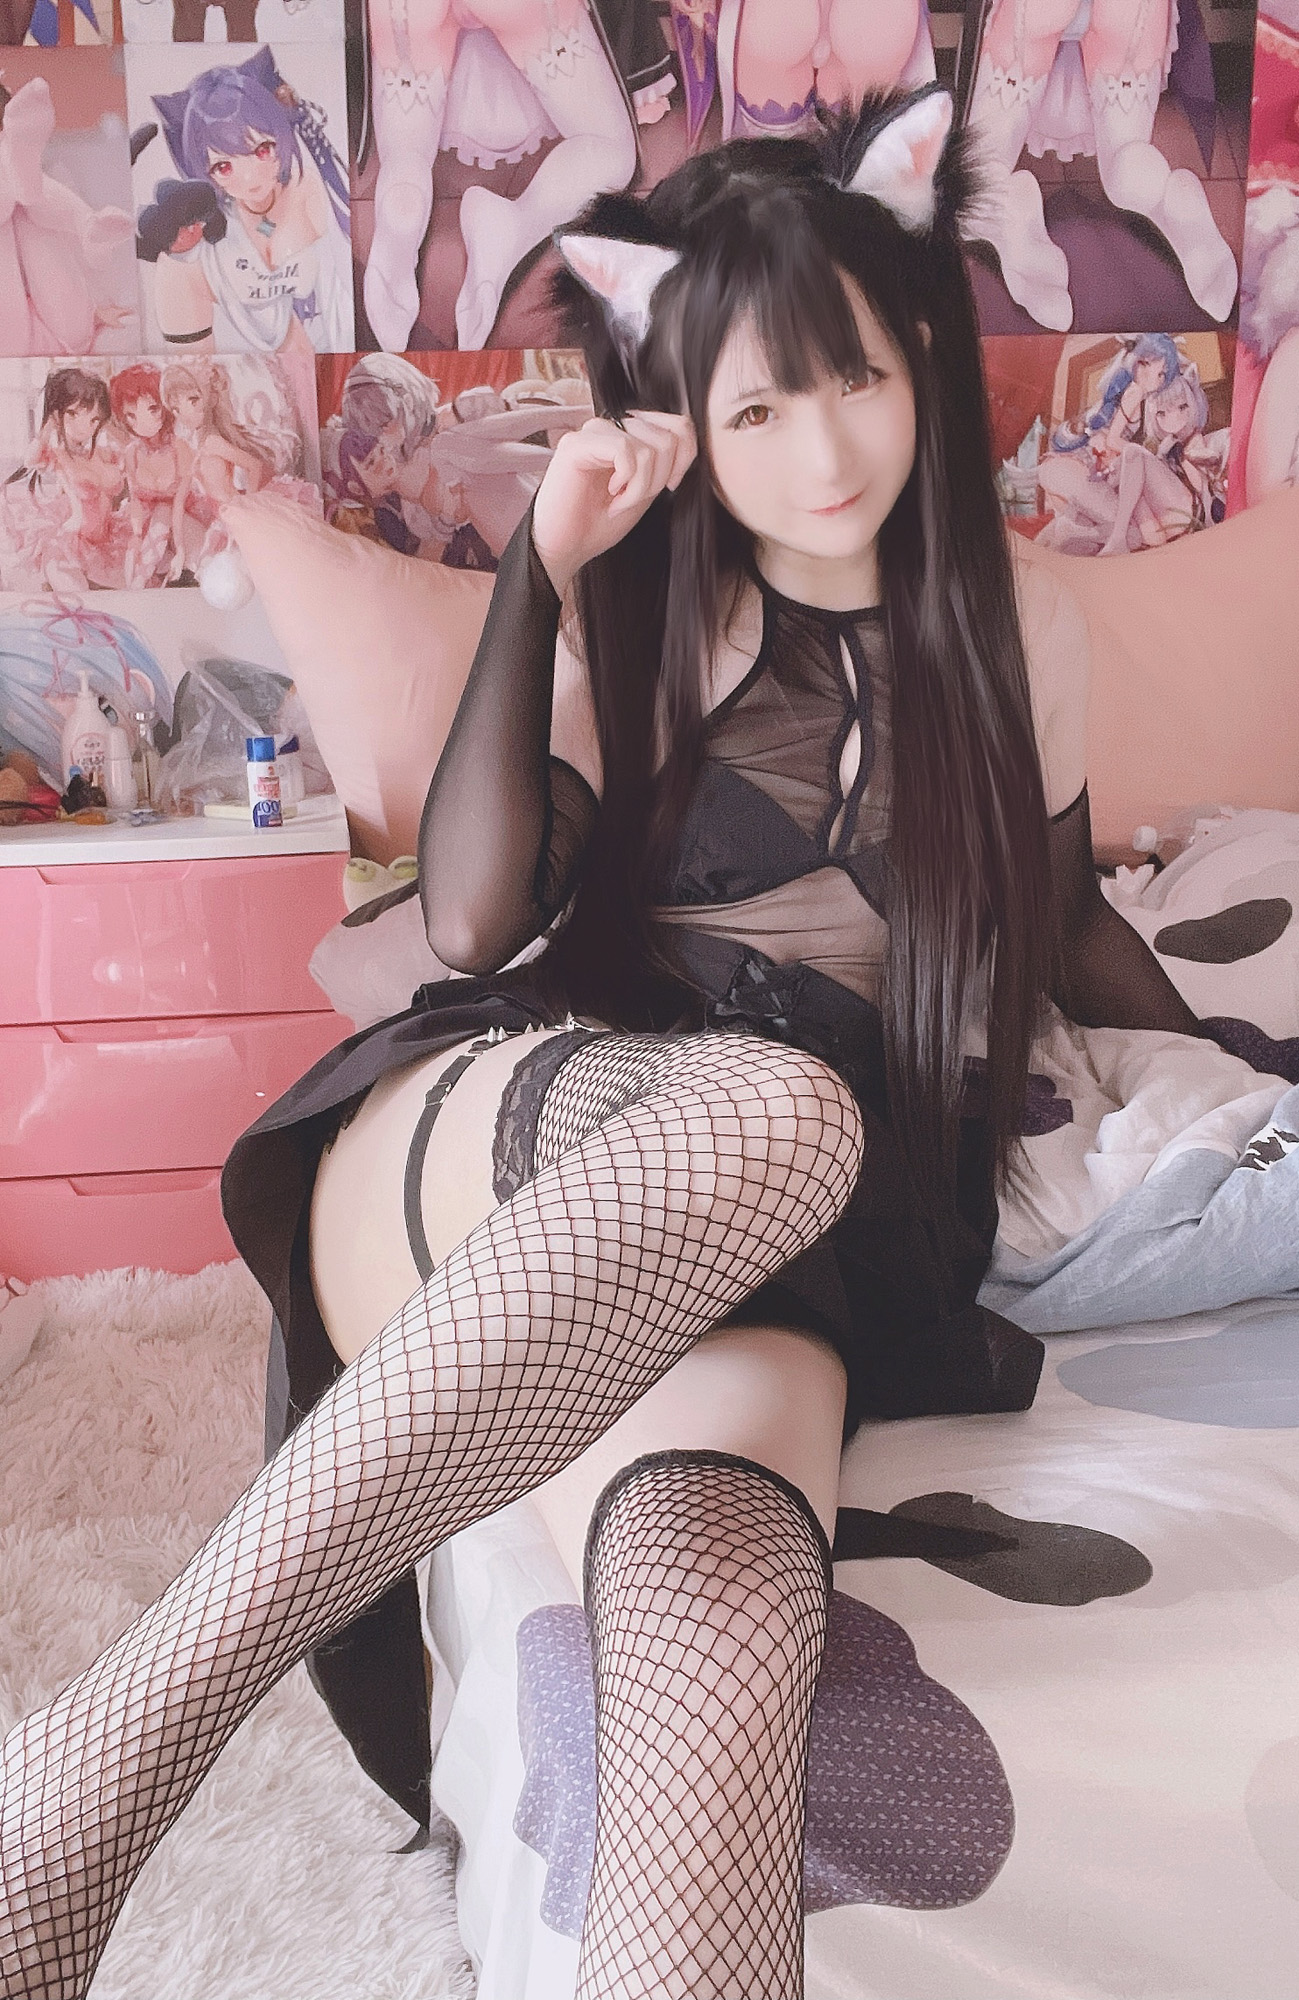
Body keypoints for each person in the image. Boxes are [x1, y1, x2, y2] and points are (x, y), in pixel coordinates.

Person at [0, 86, 1209, 2000]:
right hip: (525, 1124)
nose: (824, 449)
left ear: (917, 351)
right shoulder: (648, 609)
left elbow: (1057, 919)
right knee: (768, 1115)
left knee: (717, 1637)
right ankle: (106, 1756)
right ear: (684, 424)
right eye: (755, 408)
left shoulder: (1018, 635)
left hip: (815, 1236)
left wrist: (1240, 1074)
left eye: (855, 378)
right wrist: (540, 573)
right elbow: (470, 919)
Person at [146, 47, 353, 359]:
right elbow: (192, 372)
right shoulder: (202, 249)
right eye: (223, 167)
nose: (250, 177)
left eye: (262, 150)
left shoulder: (314, 190)